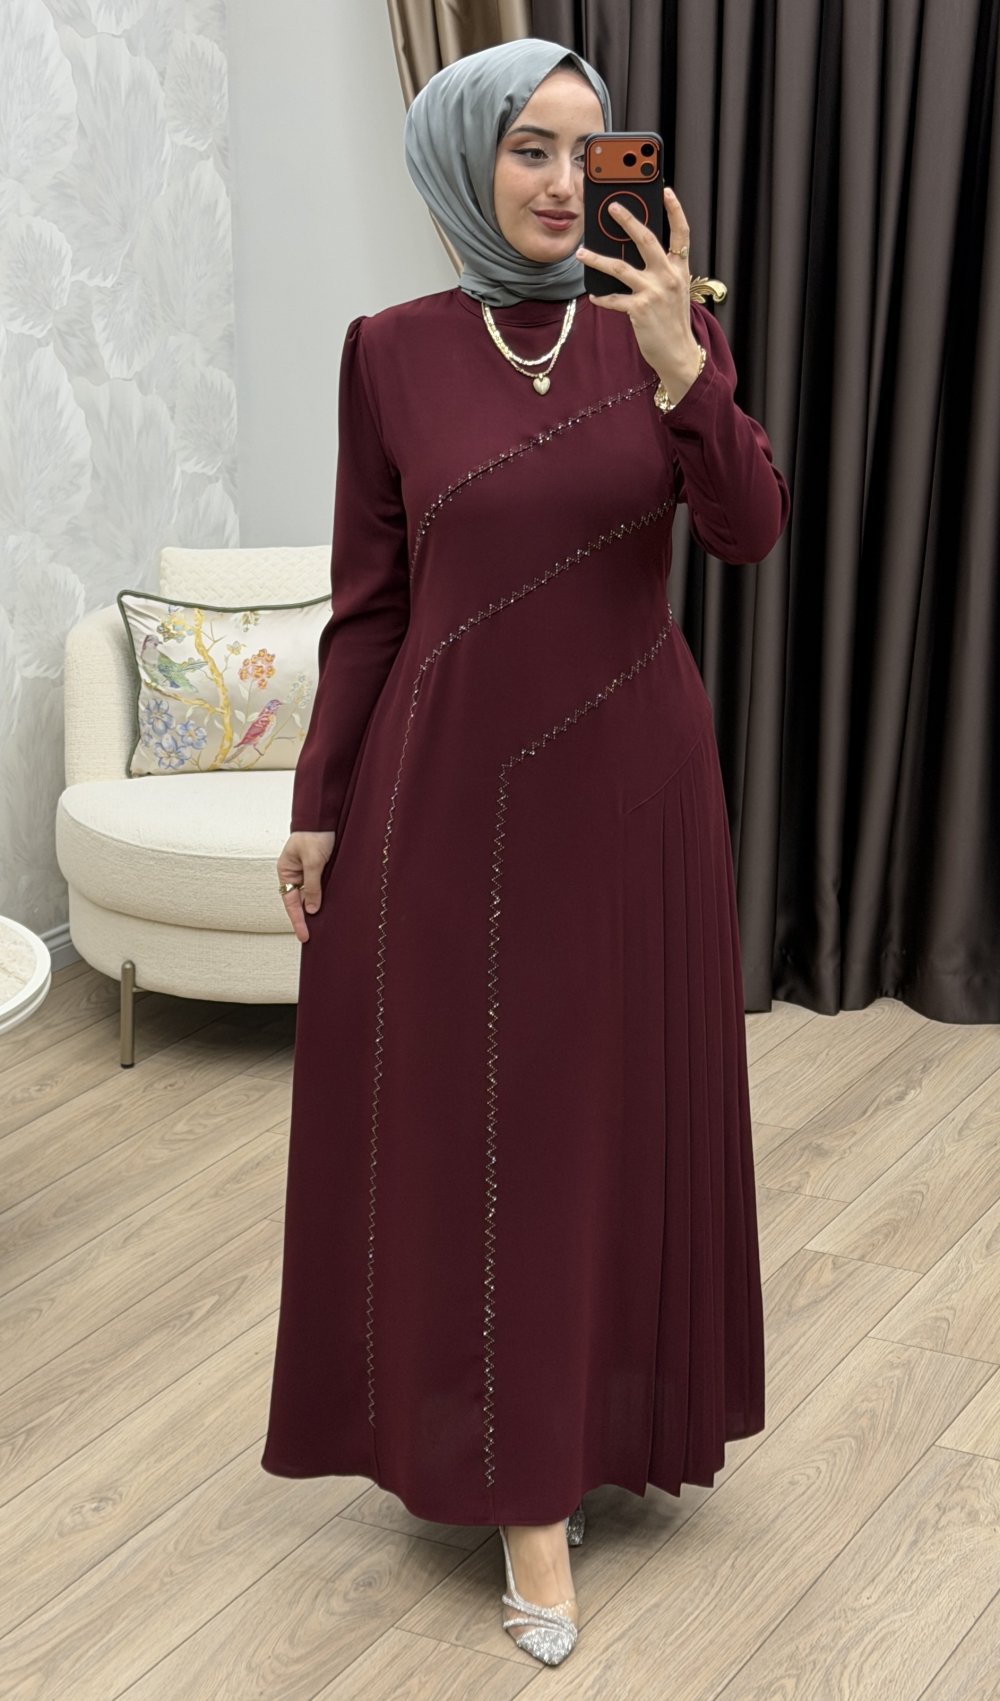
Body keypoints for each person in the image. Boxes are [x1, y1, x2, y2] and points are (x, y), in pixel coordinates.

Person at [261, 38, 790, 1669]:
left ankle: (582, 1440)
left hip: (631, 799)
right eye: (529, 150)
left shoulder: (662, 328)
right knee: (475, 1131)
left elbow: (749, 530)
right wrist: (319, 799)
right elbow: (371, 607)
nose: (567, 183)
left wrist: (686, 370)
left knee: (597, 1123)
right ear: (460, 160)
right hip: (442, 804)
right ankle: (510, 1481)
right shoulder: (390, 354)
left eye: (590, 149)